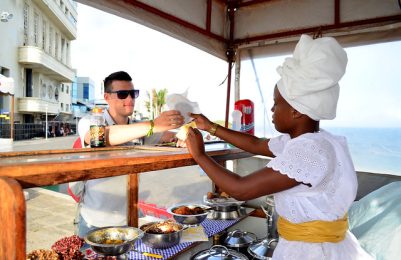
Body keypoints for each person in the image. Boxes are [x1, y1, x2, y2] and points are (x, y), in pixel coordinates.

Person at [184, 35, 373, 259]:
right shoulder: (314, 140)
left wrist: (200, 155)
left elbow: (240, 189)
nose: (272, 110)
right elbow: (255, 144)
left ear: (297, 110)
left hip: (311, 252)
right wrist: (211, 127)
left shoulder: (309, 152)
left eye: (276, 104)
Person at [76, 71, 184, 237]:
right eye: (122, 94)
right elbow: (97, 136)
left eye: (133, 94)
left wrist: (183, 134)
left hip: (129, 220)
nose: (130, 99)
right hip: (95, 222)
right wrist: (153, 125)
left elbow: (169, 136)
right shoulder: (91, 121)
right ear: (107, 97)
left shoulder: (137, 128)